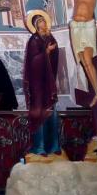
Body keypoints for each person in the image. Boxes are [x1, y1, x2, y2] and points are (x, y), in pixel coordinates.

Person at [23, 12, 61, 158]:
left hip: (48, 83)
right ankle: (39, 147)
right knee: (40, 114)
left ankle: (54, 146)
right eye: (41, 23)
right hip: (38, 85)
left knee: (52, 114)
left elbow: (55, 57)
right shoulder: (33, 40)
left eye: (44, 22)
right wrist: (46, 52)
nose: (44, 24)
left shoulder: (50, 38)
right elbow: (33, 62)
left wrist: (52, 51)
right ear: (36, 26)